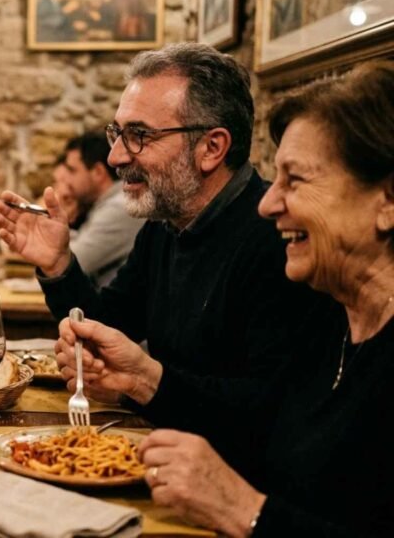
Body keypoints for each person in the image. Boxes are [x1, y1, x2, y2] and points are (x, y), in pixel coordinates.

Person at [56, 60, 394, 536]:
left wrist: (247, 511)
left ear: (388, 201)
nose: (267, 203)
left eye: (294, 180)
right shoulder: (342, 320)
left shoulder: (285, 269)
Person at [0, 43, 324, 466]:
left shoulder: (275, 240)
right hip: (162, 456)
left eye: (140, 136)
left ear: (211, 148)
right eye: (118, 133)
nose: (115, 156)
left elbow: (267, 413)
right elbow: (105, 328)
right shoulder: (166, 226)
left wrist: (148, 380)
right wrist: (58, 265)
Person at [60, 132, 145, 287]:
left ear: (98, 172)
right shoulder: (106, 204)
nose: (66, 180)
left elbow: (70, 263)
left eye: (72, 171)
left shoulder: (120, 207)